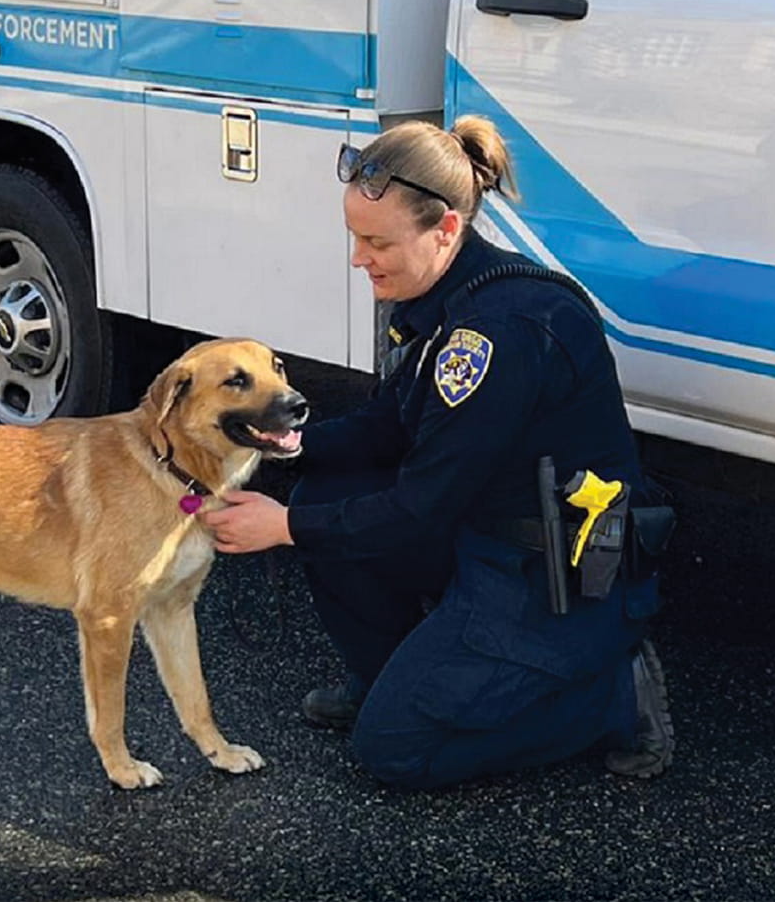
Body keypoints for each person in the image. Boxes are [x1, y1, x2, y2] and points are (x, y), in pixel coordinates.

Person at [201, 116, 674, 790]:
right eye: (355, 237)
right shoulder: (450, 298)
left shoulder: (497, 335)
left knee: (393, 749)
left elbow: (418, 508)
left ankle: (612, 698)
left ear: (446, 229)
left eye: (375, 241)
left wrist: (276, 527)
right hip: (482, 533)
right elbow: (388, 426)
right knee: (323, 491)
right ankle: (393, 677)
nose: (359, 257)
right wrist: (273, 447)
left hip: (546, 579)